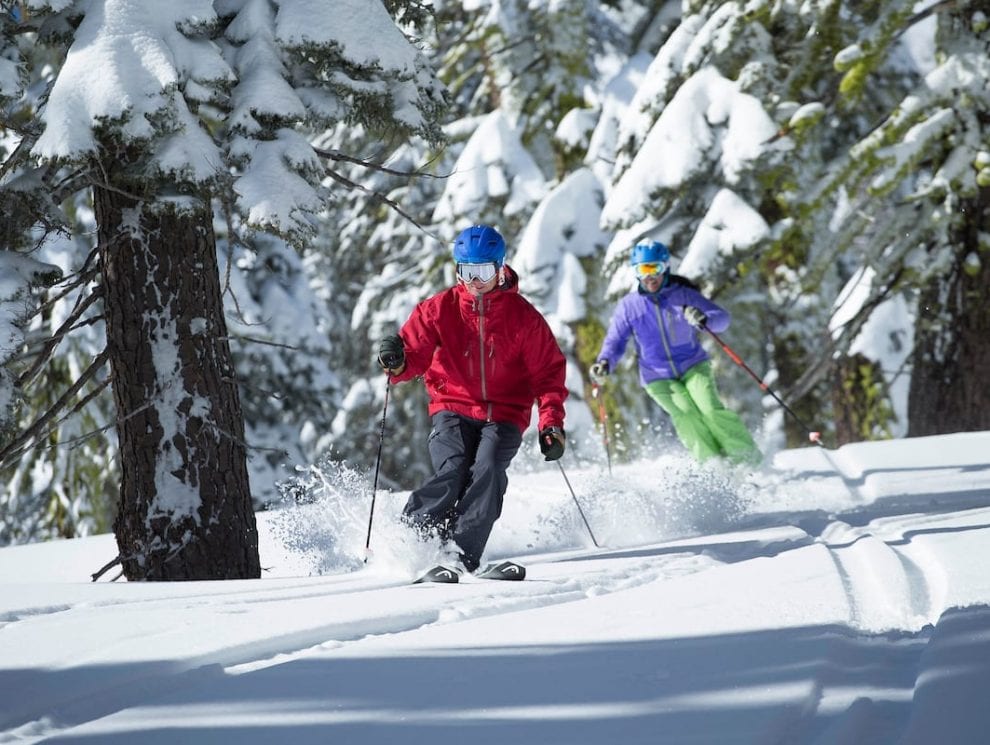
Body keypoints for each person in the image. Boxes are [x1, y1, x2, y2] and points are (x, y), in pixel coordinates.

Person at [377, 224, 568, 573]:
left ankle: (460, 554)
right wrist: (397, 360)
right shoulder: (438, 309)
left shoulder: (524, 318)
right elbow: (413, 356)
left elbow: (548, 375)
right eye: (467, 271)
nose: (474, 281)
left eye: (482, 271)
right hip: (452, 406)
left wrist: (550, 423)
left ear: (500, 268)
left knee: (489, 468)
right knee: (453, 469)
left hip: (506, 413)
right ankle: (411, 541)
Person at [591, 240, 760, 465]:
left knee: (709, 409)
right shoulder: (629, 306)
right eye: (643, 270)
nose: (650, 277)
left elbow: (723, 318)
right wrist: (604, 362)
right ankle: (712, 464)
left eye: (655, 269)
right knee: (686, 414)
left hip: (693, 365)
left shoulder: (683, 296)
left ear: (665, 267)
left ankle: (747, 459)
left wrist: (703, 318)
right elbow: (616, 340)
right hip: (657, 376)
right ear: (636, 273)